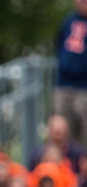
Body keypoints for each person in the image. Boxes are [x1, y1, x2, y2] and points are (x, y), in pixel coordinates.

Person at [54, 0, 87, 145]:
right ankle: (67, 165)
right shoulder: (68, 21)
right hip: (64, 84)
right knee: (63, 130)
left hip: (84, 86)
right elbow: (59, 45)